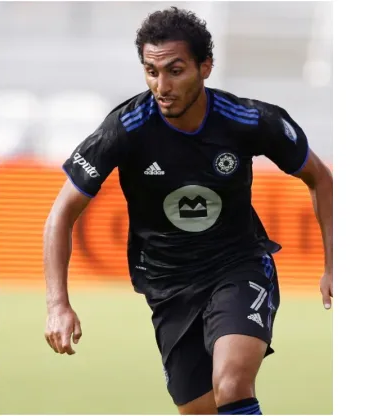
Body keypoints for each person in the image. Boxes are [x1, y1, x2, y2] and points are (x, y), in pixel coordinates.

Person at [43, 7, 332, 416]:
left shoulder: (249, 120)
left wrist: (334, 265)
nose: (162, 86)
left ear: (206, 67)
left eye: (175, 70)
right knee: (201, 410)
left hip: (238, 265)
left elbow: (319, 176)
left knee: (231, 384)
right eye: (151, 71)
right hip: (168, 287)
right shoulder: (123, 130)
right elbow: (60, 215)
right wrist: (58, 305)